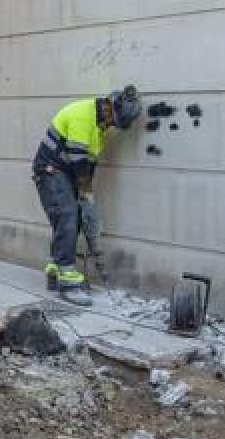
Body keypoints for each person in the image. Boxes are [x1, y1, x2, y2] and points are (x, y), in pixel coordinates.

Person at [32, 85, 142, 306]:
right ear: (111, 108)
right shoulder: (83, 116)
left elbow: (89, 165)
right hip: (51, 171)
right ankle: (68, 281)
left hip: (65, 173)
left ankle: (56, 270)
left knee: (69, 221)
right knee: (67, 217)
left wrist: (86, 196)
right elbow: (79, 159)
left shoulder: (98, 129)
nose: (112, 125)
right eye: (114, 120)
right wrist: (86, 192)